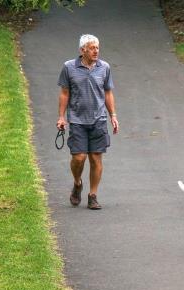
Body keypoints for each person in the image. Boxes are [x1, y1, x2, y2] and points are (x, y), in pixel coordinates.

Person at [56, 34, 119, 210]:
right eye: (92, 48)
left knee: (96, 158)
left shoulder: (104, 67)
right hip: (77, 120)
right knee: (79, 157)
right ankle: (77, 183)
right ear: (82, 50)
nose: (96, 51)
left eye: (97, 48)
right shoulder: (69, 67)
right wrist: (61, 117)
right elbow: (64, 93)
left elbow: (107, 93)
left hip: (99, 120)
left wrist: (113, 115)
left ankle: (93, 195)